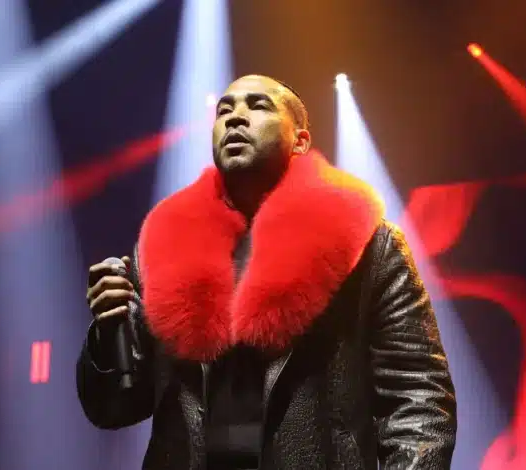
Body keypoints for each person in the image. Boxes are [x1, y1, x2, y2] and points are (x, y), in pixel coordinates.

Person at [77, 75, 457, 470]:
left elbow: (418, 396)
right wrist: (108, 336)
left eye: (258, 106)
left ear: (301, 141)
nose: (235, 118)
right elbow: (114, 408)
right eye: (224, 110)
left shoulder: (366, 244)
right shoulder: (163, 248)